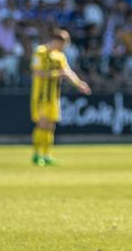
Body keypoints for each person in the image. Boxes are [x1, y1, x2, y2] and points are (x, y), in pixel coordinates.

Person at [30, 29, 91, 165]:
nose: (64, 47)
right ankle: (36, 155)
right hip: (41, 96)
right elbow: (37, 73)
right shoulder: (40, 52)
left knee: (51, 126)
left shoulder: (60, 56)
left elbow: (68, 72)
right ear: (57, 41)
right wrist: (57, 74)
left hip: (53, 97)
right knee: (42, 124)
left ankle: (46, 155)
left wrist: (80, 84)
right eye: (64, 44)